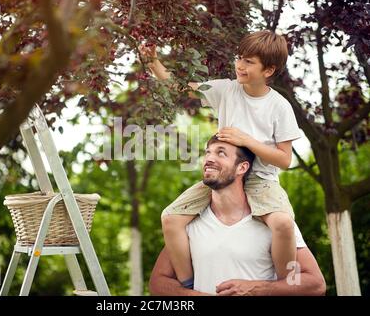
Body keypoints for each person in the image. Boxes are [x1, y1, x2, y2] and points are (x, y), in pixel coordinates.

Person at [139, 30, 301, 288]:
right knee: (170, 217)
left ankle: (283, 288)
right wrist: (152, 62)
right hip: (224, 179)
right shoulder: (227, 90)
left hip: (260, 181)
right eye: (240, 58)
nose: (239, 64)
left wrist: (247, 140)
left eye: (249, 61)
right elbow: (180, 88)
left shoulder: (279, 106)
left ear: (268, 70)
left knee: (282, 223)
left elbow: (284, 159)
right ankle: (189, 282)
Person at [148, 136, 326, 296]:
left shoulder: (274, 222)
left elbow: (316, 284)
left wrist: (258, 289)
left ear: (242, 167)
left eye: (221, 153)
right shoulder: (188, 222)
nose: (209, 158)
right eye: (208, 153)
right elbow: (157, 283)